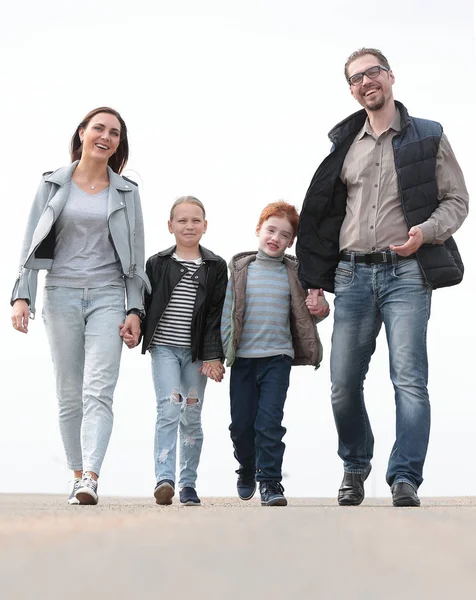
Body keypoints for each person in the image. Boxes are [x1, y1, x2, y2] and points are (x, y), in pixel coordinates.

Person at [297, 48, 469, 507]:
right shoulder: (344, 146)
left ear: (390, 76)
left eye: (373, 72)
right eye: (356, 78)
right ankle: (355, 466)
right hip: (352, 274)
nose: (366, 82)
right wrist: (315, 277)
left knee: (409, 379)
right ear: (351, 89)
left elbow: (456, 201)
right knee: (342, 383)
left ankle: (405, 476)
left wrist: (425, 234)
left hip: (408, 274)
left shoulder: (428, 136)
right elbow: (322, 215)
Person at [11, 107, 150, 505]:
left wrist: (134, 310)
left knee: (99, 391)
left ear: (119, 144)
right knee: (70, 394)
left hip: (108, 296)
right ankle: (76, 475)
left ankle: (91, 476)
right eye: (99, 129)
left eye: (115, 133)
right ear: (82, 133)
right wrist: (22, 295)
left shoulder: (126, 192)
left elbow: (135, 258)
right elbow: (30, 242)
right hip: (61, 295)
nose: (106, 137)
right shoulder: (53, 184)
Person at [221, 201, 329, 507]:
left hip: (277, 359)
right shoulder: (241, 272)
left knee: (269, 423)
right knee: (241, 425)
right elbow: (227, 315)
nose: (275, 238)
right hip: (243, 360)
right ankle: (246, 465)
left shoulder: (296, 274)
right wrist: (220, 355)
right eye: (271, 230)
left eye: (284, 235)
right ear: (258, 230)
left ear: (291, 241)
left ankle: (270, 480)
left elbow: (309, 311)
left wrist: (321, 309)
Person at [140, 196, 227, 506]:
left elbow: (217, 314)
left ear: (205, 225)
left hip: (196, 354)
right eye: (182, 220)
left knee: (191, 415)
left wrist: (214, 355)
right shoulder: (157, 263)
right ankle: (165, 479)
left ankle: (188, 483)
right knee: (168, 408)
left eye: (195, 220)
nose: (189, 225)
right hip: (163, 347)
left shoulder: (215, 266)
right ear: (170, 226)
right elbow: (144, 304)